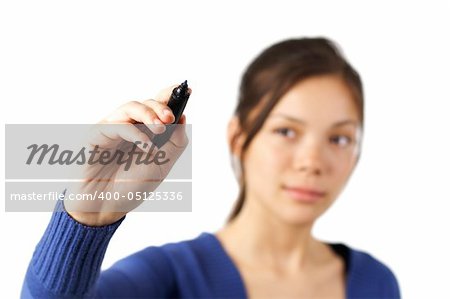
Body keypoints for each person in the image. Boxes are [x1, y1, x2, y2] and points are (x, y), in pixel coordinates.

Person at [21, 37, 401, 298]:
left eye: (339, 138)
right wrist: (87, 216)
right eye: (286, 130)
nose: (312, 162)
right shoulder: (169, 277)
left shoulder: (375, 283)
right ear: (238, 137)